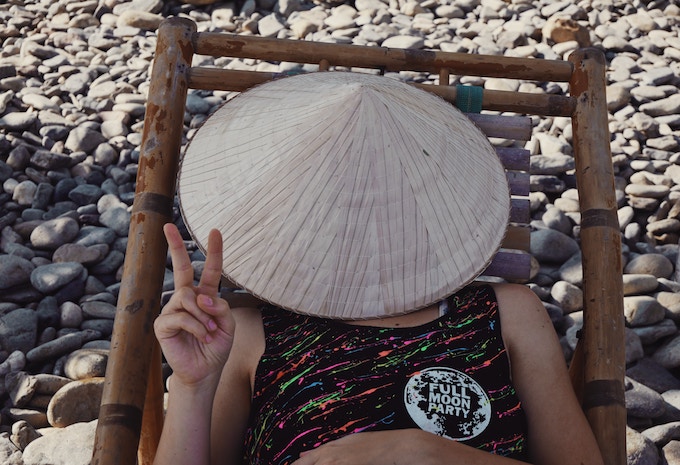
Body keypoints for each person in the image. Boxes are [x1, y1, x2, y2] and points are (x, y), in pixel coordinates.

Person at [152, 72, 604, 465]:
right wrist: (193, 385)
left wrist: (423, 453)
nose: (356, 226)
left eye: (376, 204)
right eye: (331, 205)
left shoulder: (505, 314)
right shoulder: (247, 334)